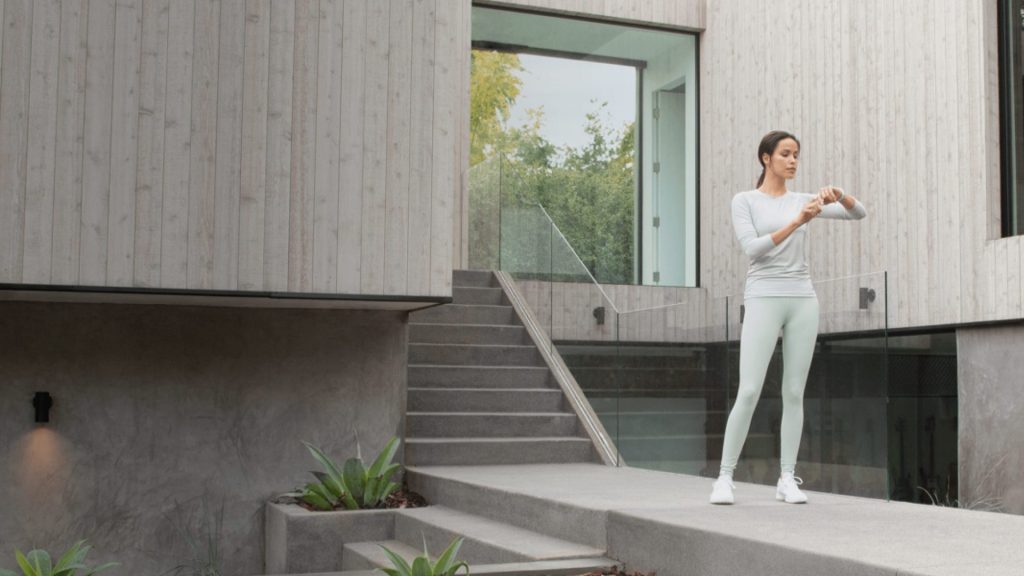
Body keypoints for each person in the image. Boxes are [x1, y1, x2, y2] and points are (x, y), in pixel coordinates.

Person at [709, 130, 867, 505]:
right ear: (766, 158)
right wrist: (798, 221)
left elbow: (858, 213)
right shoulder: (745, 201)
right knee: (749, 389)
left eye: (797, 154)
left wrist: (838, 194)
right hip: (763, 297)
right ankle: (724, 478)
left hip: (802, 300)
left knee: (794, 392)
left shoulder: (804, 199)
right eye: (786, 154)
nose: (793, 160)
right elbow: (752, 249)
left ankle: (786, 478)